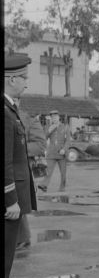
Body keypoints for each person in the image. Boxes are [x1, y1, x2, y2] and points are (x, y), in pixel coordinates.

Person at [4, 52, 37, 278]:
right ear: (11, 79)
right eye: (24, 77)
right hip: (8, 200)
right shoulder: (5, 112)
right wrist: (11, 199)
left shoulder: (10, 109)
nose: (27, 82)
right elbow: (4, 160)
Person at [14, 97, 46, 249]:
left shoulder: (29, 119)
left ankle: (23, 238)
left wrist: (17, 148)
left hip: (20, 167)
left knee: (17, 203)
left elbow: (40, 145)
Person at [39, 109, 71, 192]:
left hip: (62, 153)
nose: (54, 119)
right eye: (52, 117)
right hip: (51, 152)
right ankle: (44, 185)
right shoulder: (48, 127)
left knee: (63, 173)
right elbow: (44, 137)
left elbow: (68, 141)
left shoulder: (65, 127)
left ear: (59, 117)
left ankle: (62, 187)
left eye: (55, 117)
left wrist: (64, 149)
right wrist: (49, 130)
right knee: (48, 170)